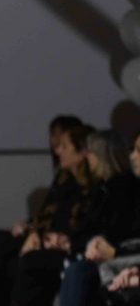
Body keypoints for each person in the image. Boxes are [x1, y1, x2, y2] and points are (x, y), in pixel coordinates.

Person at [0, 122, 93, 306]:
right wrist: (32, 228)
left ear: (82, 152)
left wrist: (44, 236)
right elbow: (46, 215)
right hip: (42, 236)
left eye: (64, 146)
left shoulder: (89, 188)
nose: (58, 151)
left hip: (57, 243)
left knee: (0, 245)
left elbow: (77, 226)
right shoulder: (64, 180)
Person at [13, 129, 132, 306]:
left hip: (102, 253)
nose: (87, 157)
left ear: (101, 156)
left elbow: (112, 231)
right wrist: (63, 239)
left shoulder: (119, 189)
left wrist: (71, 244)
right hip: (84, 248)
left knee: (37, 263)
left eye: (90, 152)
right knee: (21, 255)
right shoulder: (103, 188)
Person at [60, 131, 140, 306]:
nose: (132, 156)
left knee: (77, 271)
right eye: (132, 150)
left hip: (120, 257)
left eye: (138, 150)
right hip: (117, 257)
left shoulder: (123, 187)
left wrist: (115, 251)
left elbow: (123, 233)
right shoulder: (107, 187)